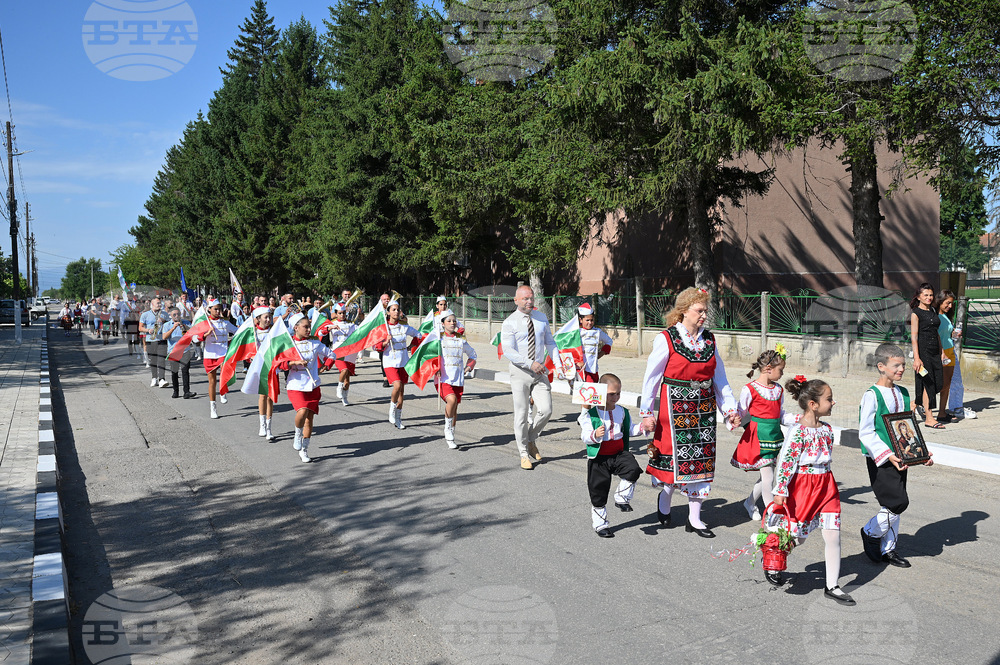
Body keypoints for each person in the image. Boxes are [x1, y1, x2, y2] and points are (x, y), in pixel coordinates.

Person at [639, 287, 739, 537]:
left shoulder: (710, 340)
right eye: (699, 310)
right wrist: (646, 411)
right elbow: (651, 378)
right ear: (684, 311)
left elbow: (720, 379)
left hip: (703, 409)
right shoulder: (667, 338)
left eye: (706, 310)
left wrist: (729, 409)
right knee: (676, 462)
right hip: (674, 408)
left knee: (701, 462)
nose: (704, 315)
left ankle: (694, 519)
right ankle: (665, 501)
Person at [771, 377, 853, 605]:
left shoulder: (827, 430)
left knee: (833, 535)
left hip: (826, 485)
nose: (833, 403)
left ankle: (832, 585)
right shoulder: (797, 432)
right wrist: (780, 490)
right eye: (829, 399)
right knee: (798, 535)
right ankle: (774, 558)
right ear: (813, 404)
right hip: (804, 486)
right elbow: (787, 461)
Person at [859, 343, 934, 569]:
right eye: (896, 366)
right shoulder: (871, 395)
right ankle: (870, 532)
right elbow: (866, 432)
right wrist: (887, 454)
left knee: (892, 505)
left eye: (903, 365)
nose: (901, 369)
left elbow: (907, 427)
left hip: (902, 456)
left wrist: (921, 452)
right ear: (881, 366)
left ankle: (888, 548)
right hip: (881, 458)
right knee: (897, 503)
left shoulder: (903, 392)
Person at [731, 346, 797, 520]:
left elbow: (781, 415)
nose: (782, 374)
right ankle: (772, 511)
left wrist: (799, 418)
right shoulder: (750, 389)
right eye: (780, 370)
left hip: (775, 437)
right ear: (768, 369)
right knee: (768, 476)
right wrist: (734, 419)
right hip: (758, 438)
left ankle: (750, 503)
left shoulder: (778, 390)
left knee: (768, 476)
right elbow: (741, 411)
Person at [579, 374, 648, 538]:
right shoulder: (591, 414)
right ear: (601, 392)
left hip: (618, 453)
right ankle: (600, 525)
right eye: (612, 394)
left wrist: (642, 427)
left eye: (618, 393)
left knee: (633, 470)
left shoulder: (622, 411)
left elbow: (629, 430)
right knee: (598, 492)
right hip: (599, 457)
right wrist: (595, 434)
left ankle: (622, 497)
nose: (616, 397)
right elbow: (585, 436)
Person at [501, 285, 559, 470]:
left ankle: (531, 439)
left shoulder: (541, 318)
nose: (529, 301)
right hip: (520, 372)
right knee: (521, 415)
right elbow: (508, 350)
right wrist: (529, 362)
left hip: (539, 371)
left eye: (531, 298)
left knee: (546, 409)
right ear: (516, 300)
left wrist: (558, 363)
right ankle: (524, 454)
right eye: (525, 298)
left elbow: (550, 341)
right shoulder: (510, 322)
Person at [276, 313, 336, 462]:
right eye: (305, 327)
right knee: (302, 411)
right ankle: (297, 434)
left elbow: (332, 354)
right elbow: (279, 364)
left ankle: (304, 449)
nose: (309, 329)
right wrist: (294, 363)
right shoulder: (289, 344)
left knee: (309, 419)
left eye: (309, 326)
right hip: (295, 385)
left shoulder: (315, 343)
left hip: (313, 384)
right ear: (296, 328)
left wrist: (326, 366)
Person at [436, 311, 477, 449]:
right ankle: (447, 429)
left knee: (454, 408)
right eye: (449, 321)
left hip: (458, 378)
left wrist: (468, 367)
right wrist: (434, 367)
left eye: (454, 321)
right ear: (443, 324)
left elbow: (473, 355)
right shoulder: (437, 338)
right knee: (451, 400)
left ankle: (452, 434)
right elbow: (428, 355)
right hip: (443, 378)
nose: (452, 323)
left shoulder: (461, 339)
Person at [377, 298, 420, 429]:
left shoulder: (404, 326)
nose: (396, 312)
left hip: (403, 361)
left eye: (397, 309)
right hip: (390, 361)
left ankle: (398, 418)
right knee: (397, 385)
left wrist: (413, 345)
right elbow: (376, 346)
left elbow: (418, 335)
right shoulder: (383, 328)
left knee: (401, 391)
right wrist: (385, 342)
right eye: (393, 310)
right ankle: (391, 408)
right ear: (388, 312)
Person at [193, 298, 238, 419]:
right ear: (210, 310)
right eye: (216, 309)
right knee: (212, 382)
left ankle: (223, 391)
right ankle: (213, 407)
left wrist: (232, 342)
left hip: (223, 353)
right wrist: (206, 333)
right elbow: (196, 339)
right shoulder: (205, 323)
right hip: (210, 355)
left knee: (225, 371)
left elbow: (237, 332)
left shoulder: (225, 323)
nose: (218, 311)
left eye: (220, 309)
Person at [909, 283, 944, 428]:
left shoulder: (934, 311)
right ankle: (929, 418)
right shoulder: (915, 313)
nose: (929, 298)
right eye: (926, 295)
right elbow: (914, 337)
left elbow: (937, 333)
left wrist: (941, 351)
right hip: (923, 352)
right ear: (919, 297)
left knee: (938, 383)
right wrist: (917, 358)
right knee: (928, 383)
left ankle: (915, 403)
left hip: (935, 351)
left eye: (931, 295)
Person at [250, 307, 275, 439]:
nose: (268, 319)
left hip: (272, 366)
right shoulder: (252, 332)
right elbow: (248, 349)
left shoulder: (274, 331)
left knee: (270, 397)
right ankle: (262, 425)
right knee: (262, 396)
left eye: (269, 317)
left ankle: (269, 427)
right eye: (265, 317)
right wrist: (251, 356)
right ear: (258, 319)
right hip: (260, 366)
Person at [162, 307, 197, 399]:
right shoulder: (167, 325)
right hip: (173, 351)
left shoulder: (185, 323)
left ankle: (186, 392)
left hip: (185, 350)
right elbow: (164, 337)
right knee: (174, 372)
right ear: (170, 315)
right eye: (174, 315)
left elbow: (192, 334)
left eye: (178, 314)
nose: (176, 316)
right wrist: (173, 328)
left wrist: (184, 326)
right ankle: (176, 391)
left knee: (185, 371)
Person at [328, 304, 358, 406]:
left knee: (347, 380)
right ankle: (339, 387)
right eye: (340, 313)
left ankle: (344, 397)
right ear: (336, 314)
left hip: (349, 353)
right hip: (337, 351)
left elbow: (361, 331)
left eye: (344, 313)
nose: (342, 315)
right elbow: (322, 331)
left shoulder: (351, 324)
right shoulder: (332, 323)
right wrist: (330, 327)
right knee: (344, 370)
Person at [576, 303, 612, 383]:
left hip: (593, 368)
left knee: (593, 389)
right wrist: (577, 361)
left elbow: (609, 341)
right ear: (580, 320)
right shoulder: (576, 332)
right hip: (581, 369)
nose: (590, 323)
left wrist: (600, 354)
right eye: (587, 320)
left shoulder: (597, 332)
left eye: (591, 320)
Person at [140, 298, 169, 388]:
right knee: (153, 360)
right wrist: (148, 330)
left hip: (161, 339)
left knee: (161, 360)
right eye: (157, 303)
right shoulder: (145, 314)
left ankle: (162, 379)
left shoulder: (164, 314)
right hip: (150, 340)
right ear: (152, 304)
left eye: (160, 303)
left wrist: (164, 321)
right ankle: (154, 378)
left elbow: (169, 324)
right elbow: (140, 328)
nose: (159, 304)